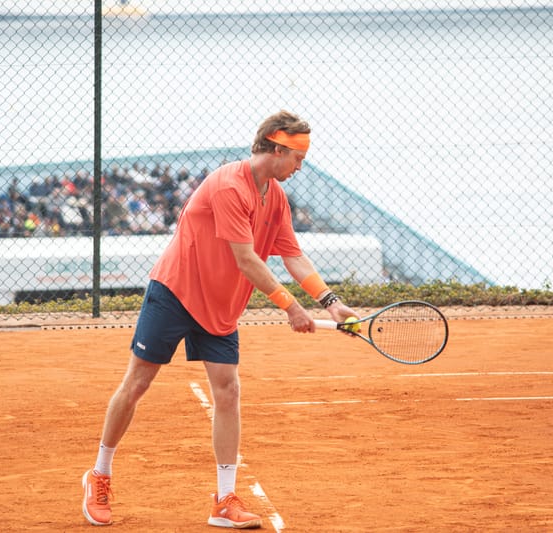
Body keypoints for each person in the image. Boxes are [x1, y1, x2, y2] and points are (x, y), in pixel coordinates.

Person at [81, 110, 358, 528]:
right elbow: (245, 258)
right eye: (298, 156)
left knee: (228, 392)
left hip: (221, 307)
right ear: (275, 146)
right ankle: (99, 474)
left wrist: (330, 302)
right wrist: (290, 306)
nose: (301, 165)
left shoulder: (276, 196)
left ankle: (224, 501)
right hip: (176, 293)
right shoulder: (230, 186)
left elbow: (293, 256)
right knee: (137, 383)